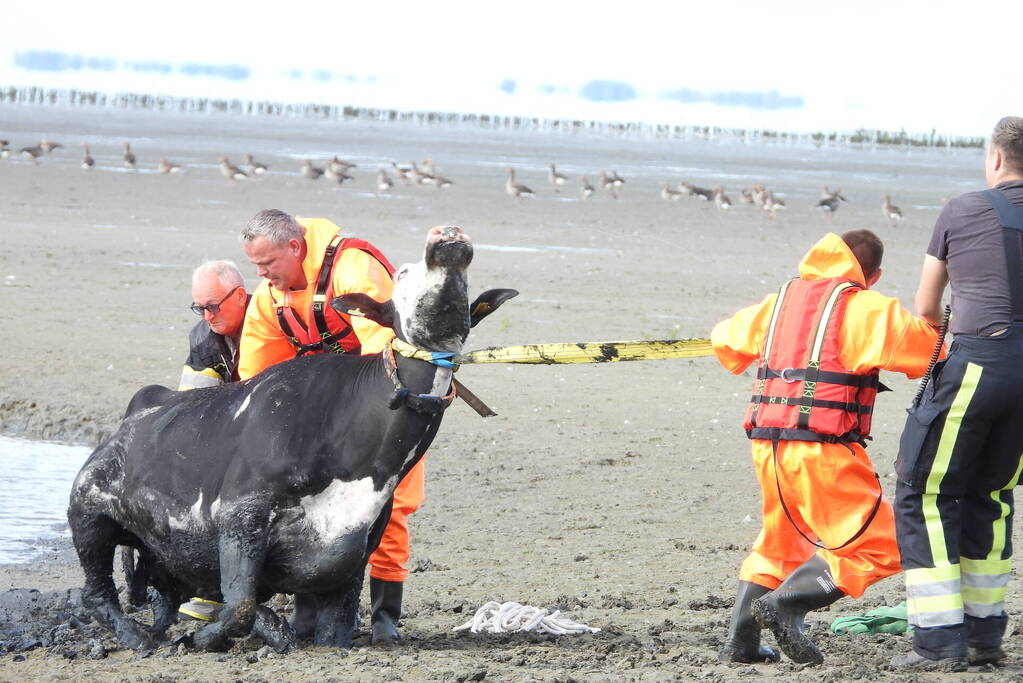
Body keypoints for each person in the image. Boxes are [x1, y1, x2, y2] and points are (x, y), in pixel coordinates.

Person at [711, 230, 939, 665]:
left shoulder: (778, 302)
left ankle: (739, 644)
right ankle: (787, 605)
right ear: (872, 275)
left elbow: (726, 339)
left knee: (780, 542)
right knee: (887, 542)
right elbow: (931, 352)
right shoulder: (866, 306)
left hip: (768, 448)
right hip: (823, 450)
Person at [237, 208, 423, 645]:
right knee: (311, 506)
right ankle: (308, 614)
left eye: (267, 264)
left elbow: (386, 352)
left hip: (386, 407)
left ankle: (385, 618)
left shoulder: (354, 267)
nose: (262, 275)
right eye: (256, 267)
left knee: (389, 508)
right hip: (321, 419)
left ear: (295, 248)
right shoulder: (269, 299)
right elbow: (254, 378)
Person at [892, 116, 1023, 671]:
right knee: (991, 496)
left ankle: (939, 643)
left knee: (924, 491)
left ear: (995, 159)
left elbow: (925, 308)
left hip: (978, 365)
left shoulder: (962, 209)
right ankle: (986, 638)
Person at [178, 260, 250, 390]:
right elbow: (192, 399)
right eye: (200, 308)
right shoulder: (200, 337)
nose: (207, 317)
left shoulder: (269, 324)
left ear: (240, 296)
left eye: (212, 306)